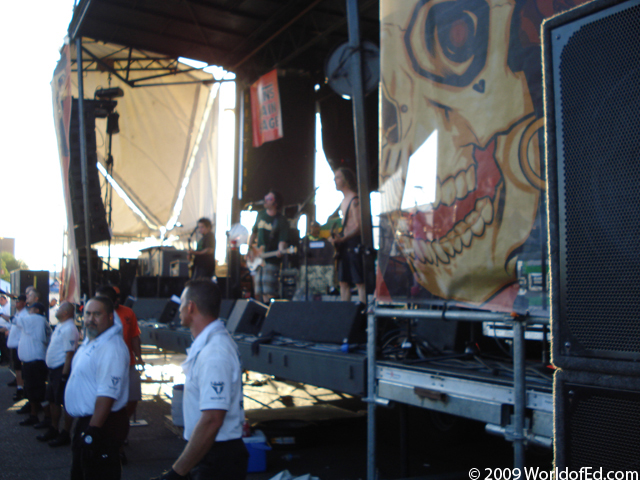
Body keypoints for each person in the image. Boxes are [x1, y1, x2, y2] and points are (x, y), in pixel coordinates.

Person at [151, 279, 248, 480]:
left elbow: (212, 419)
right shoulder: (211, 346)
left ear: (191, 307)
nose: (178, 309)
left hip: (217, 459)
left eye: (181, 303)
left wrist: (177, 473)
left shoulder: (215, 353)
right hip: (212, 454)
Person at [65, 296, 130, 480]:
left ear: (110, 317)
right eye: (87, 314)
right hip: (88, 423)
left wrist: (92, 432)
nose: (90, 319)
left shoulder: (112, 348)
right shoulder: (93, 340)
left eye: (97, 314)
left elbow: (107, 394)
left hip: (102, 426)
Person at [96, 285, 143, 464]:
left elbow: (134, 336)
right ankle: (116, 446)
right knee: (109, 404)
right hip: (106, 366)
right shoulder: (96, 315)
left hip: (128, 364)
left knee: (131, 401)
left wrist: (139, 357)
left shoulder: (128, 313)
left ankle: (120, 433)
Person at [37, 301, 79, 447]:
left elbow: (69, 354)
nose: (57, 309)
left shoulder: (69, 328)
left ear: (66, 313)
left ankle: (66, 433)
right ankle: (54, 429)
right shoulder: (61, 326)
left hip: (61, 370)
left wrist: (64, 375)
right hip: (53, 369)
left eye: (60, 308)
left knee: (64, 402)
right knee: (53, 400)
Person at [329, 168, 366, 303]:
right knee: (343, 282)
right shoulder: (343, 201)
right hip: (345, 244)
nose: (335, 180)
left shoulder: (354, 200)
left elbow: (359, 226)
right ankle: (345, 314)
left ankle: (362, 314)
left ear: (346, 180)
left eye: (337, 177)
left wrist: (343, 238)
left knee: (359, 281)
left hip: (353, 243)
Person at [248, 190, 289, 303]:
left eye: (269, 199)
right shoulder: (260, 215)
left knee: (269, 292)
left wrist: (281, 250)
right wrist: (249, 249)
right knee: (258, 292)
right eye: (265, 198)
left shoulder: (281, 220)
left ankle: (269, 315)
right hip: (257, 258)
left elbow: (282, 241)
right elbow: (254, 233)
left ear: (275, 203)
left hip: (271, 259)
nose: (265, 200)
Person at [16, 301, 52, 427]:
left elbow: (16, 321)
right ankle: (34, 415)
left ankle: (47, 417)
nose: (29, 311)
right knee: (31, 390)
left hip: (35, 363)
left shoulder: (36, 319)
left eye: (31, 309)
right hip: (32, 362)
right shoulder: (39, 320)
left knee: (39, 391)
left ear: (37, 311)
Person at [6, 294, 28, 401]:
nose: (16, 303)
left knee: (20, 369)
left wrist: (1, 314)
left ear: (24, 303)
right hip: (15, 346)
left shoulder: (24, 314)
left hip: (20, 345)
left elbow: (14, 321)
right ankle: (20, 387)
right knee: (17, 369)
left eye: (18, 301)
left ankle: (21, 389)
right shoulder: (19, 313)